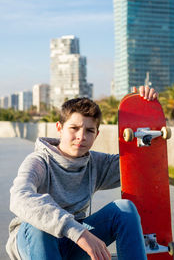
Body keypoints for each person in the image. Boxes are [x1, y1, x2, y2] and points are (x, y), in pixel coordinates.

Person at [6, 86, 158, 260]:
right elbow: (19, 197)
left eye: (89, 131)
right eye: (74, 128)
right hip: (34, 241)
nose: (81, 136)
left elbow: (139, 163)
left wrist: (144, 109)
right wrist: (80, 233)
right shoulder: (39, 161)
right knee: (40, 226)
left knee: (124, 210)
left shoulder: (96, 163)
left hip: (74, 244)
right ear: (59, 128)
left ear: (97, 134)